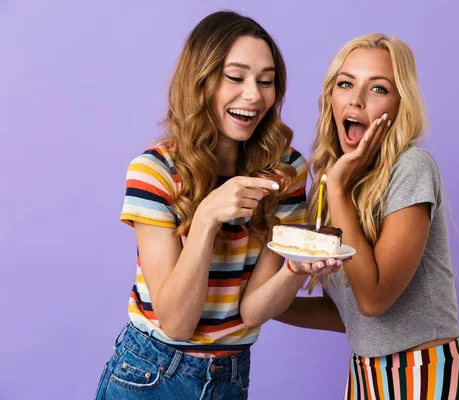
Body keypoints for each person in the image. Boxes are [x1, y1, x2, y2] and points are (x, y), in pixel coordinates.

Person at [94, 11, 340, 400]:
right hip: (151, 374)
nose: (254, 95)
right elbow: (176, 323)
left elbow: (254, 310)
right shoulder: (155, 172)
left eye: (266, 81)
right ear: (202, 80)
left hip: (231, 376)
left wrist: (295, 267)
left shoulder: (285, 170)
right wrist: (207, 216)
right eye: (235, 77)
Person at [277, 34, 459, 399]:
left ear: (399, 105)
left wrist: (338, 188)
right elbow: (348, 313)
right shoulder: (333, 186)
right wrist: (261, 305)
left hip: (429, 377)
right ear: (331, 98)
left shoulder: (411, 168)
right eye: (345, 84)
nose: (356, 99)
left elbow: (374, 301)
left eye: (377, 88)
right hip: (365, 380)